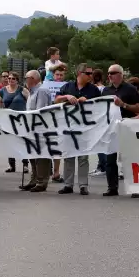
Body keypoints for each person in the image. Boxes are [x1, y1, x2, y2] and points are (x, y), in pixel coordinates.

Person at [55, 64, 102, 195]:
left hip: (84, 128)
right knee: (68, 156)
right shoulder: (68, 86)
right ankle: (68, 185)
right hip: (68, 126)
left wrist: (88, 102)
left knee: (83, 157)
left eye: (91, 73)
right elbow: (56, 100)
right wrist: (67, 97)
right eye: (88, 73)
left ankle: (83, 185)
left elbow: (99, 107)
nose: (90, 76)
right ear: (79, 74)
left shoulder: (94, 90)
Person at [102, 64, 139, 197]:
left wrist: (123, 104)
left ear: (121, 74)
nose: (110, 75)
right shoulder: (105, 91)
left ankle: (135, 188)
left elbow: (138, 108)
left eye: (113, 73)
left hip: (127, 127)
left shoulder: (130, 89)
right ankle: (112, 187)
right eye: (108, 73)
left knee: (130, 159)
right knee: (110, 159)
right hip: (111, 129)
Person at [21, 70, 55, 192]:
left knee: (41, 156)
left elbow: (40, 112)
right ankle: (34, 179)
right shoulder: (32, 92)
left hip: (40, 129)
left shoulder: (41, 91)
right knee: (33, 155)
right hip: (31, 128)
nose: (25, 80)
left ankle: (42, 181)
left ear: (34, 79)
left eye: (27, 77)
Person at [0, 72, 29, 174]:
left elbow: (30, 100)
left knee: (22, 142)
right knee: (10, 142)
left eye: (13, 78)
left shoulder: (22, 90)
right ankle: (12, 165)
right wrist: (0, 112)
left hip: (21, 120)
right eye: (9, 78)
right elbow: (0, 102)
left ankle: (25, 165)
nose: (10, 80)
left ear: (17, 80)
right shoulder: (3, 90)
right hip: (8, 120)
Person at [48, 63, 69, 182]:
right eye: (57, 75)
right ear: (53, 75)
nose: (59, 77)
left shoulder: (66, 87)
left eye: (61, 75)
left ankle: (56, 172)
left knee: (58, 147)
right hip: (47, 118)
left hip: (61, 119)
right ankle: (47, 170)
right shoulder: (46, 86)